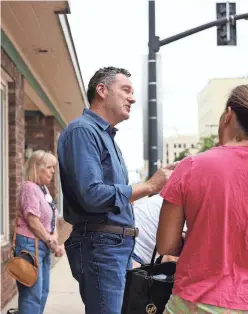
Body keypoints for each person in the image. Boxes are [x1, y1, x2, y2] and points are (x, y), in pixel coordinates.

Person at [57, 66, 175, 314]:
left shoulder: (106, 137)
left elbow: (113, 198)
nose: (132, 98)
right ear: (102, 90)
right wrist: (150, 186)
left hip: (112, 246)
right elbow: (92, 195)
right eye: (126, 90)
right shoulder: (82, 131)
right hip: (101, 246)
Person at [157, 84, 248, 313]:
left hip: (196, 302)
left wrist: (199, 239)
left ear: (228, 115)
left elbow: (165, 244)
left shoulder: (191, 167)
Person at [15, 150, 64, 314]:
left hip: (42, 246)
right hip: (30, 246)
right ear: (37, 167)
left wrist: (55, 239)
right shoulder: (29, 188)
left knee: (42, 294)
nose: (53, 171)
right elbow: (33, 221)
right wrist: (51, 241)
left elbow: (51, 218)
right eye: (49, 167)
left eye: (54, 168)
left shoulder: (43, 190)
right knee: (32, 296)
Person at [132, 194, 181, 267]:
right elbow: (169, 258)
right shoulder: (181, 210)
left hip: (122, 247)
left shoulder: (162, 198)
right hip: (135, 258)